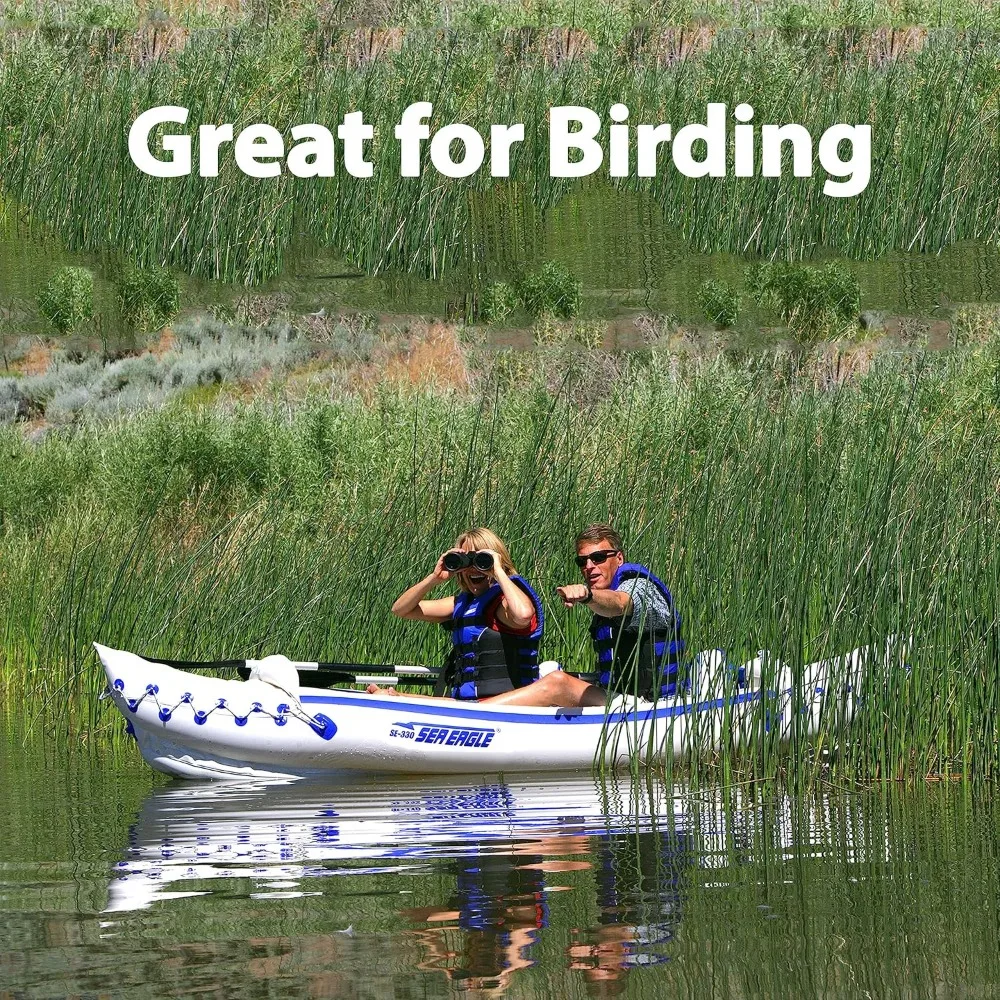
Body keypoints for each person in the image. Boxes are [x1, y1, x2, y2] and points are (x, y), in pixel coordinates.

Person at [480, 523, 683, 708]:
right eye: (582, 561)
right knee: (544, 673)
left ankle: (478, 714)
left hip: (653, 706)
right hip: (618, 697)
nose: (589, 566)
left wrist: (588, 596)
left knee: (557, 683)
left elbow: (620, 603)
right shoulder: (602, 595)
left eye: (599, 558)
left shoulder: (640, 587)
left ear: (619, 558)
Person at [372, 527, 544, 700]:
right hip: (469, 704)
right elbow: (400, 609)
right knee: (390, 696)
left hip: (508, 704)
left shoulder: (505, 603)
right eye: (466, 561)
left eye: (481, 560)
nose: (474, 569)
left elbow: (523, 615)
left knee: (398, 697)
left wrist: (498, 571)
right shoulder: (460, 604)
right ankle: (393, 697)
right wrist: (434, 578)